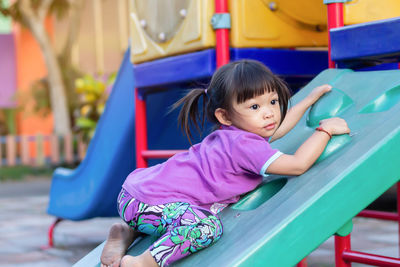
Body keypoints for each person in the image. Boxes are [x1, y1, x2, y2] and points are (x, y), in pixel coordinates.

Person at [100, 59, 350, 267]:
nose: (269, 113)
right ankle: (142, 262)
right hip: (149, 204)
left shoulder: (234, 134)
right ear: (224, 115)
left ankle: (129, 231)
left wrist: (308, 100)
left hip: (137, 194)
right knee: (206, 227)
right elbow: (297, 164)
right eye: (254, 106)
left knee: (181, 214)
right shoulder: (245, 146)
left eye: (273, 102)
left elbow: (278, 127)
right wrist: (325, 131)